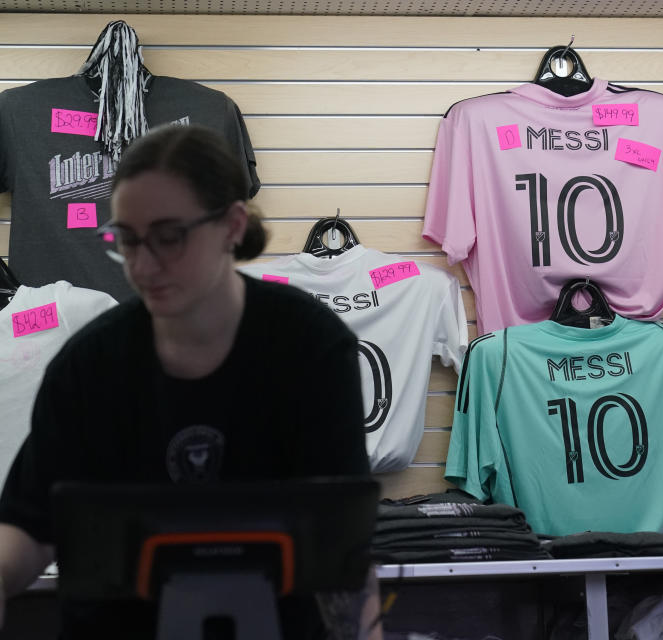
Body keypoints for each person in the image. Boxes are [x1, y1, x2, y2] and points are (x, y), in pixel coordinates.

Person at [0, 124, 380, 639]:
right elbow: (27, 527)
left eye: (169, 237)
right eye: (126, 241)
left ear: (231, 225)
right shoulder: (90, 363)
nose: (142, 264)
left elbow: (341, 548)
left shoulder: (309, 347)